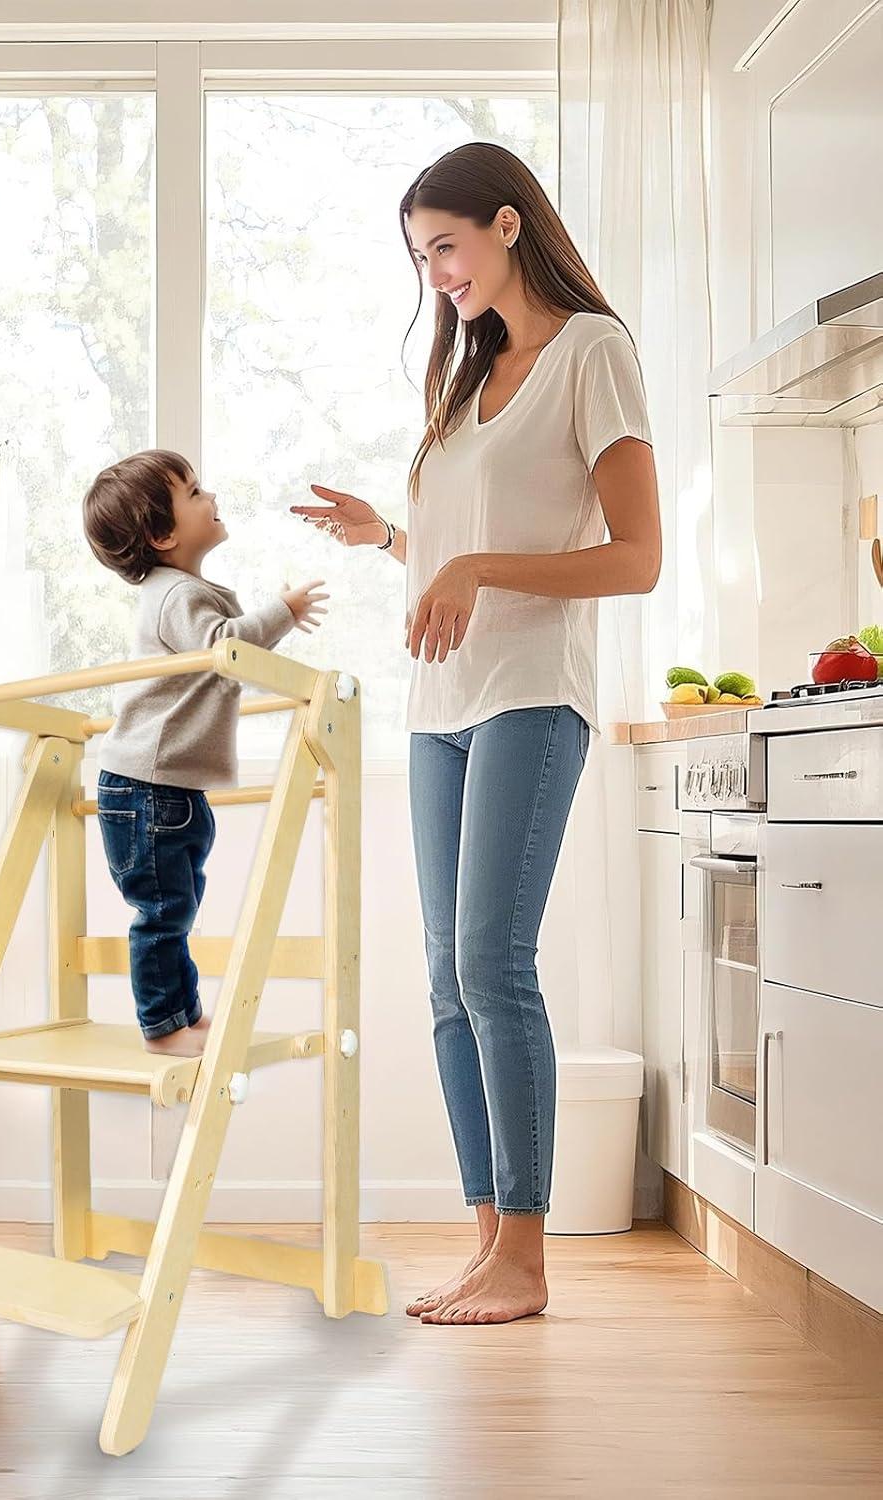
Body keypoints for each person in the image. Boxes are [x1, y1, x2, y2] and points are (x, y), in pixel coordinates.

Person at [292, 141, 661, 1324]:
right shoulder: (467, 378)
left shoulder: (592, 354)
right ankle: (489, 1237)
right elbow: (457, 565)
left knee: (497, 969)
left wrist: (470, 561)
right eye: (419, 256)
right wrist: (391, 543)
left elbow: (639, 557)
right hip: (442, 709)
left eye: (444, 245)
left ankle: (531, 1258)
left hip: (532, 697)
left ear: (509, 225)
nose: (434, 272)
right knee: (450, 980)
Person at [83, 449, 327, 1056]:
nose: (210, 497)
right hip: (149, 788)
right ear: (163, 533)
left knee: (176, 906)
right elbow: (226, 649)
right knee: (164, 911)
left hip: (162, 788)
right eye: (194, 492)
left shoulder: (182, 591)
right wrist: (284, 612)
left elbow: (234, 656)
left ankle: (183, 1015)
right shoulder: (176, 596)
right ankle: (165, 1026)